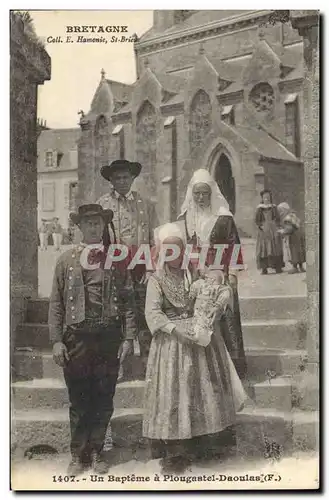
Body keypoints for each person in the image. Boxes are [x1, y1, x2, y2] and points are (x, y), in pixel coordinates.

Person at [143, 222, 247, 474]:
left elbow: (213, 292)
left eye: (177, 250)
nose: (173, 256)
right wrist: (178, 331)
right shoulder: (156, 280)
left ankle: (204, 444)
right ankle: (175, 453)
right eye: (167, 251)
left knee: (200, 392)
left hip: (200, 342)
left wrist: (216, 307)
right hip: (172, 344)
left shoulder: (194, 274)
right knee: (175, 394)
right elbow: (152, 314)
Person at [48, 204, 136, 475]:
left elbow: (128, 300)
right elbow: (56, 304)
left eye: (98, 223)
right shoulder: (66, 260)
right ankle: (78, 454)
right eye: (88, 223)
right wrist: (56, 340)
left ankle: (97, 451)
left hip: (108, 336)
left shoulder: (116, 259)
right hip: (76, 338)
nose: (94, 227)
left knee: (104, 395)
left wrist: (129, 337)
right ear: (80, 227)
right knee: (79, 397)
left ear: (103, 226)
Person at [178, 169, 247, 380]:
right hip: (196, 277)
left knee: (224, 319)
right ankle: (204, 370)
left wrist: (232, 276)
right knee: (200, 321)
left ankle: (233, 367)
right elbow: (180, 247)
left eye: (204, 193)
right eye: (197, 193)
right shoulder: (186, 218)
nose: (200, 197)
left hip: (220, 276)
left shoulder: (224, 218)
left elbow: (234, 247)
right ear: (192, 193)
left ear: (211, 194)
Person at [97, 159, 158, 381]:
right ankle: (119, 365)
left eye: (126, 177)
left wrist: (151, 268)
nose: (122, 182)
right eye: (117, 178)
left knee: (143, 314)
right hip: (115, 267)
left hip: (140, 266)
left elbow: (154, 239)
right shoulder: (103, 204)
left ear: (133, 179)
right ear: (111, 181)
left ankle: (148, 363)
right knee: (117, 314)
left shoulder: (145, 204)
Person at [255, 190, 284, 275]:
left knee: (276, 248)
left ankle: (277, 267)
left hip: (273, 229)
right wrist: (261, 226)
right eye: (265, 197)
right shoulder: (259, 208)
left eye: (268, 197)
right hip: (264, 230)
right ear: (262, 198)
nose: (266, 199)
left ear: (270, 198)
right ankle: (264, 269)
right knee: (264, 249)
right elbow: (257, 220)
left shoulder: (274, 207)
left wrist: (277, 226)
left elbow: (277, 218)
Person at [277, 202, 306, 274]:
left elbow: (289, 229)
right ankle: (301, 267)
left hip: (294, 237)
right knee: (300, 251)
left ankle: (295, 267)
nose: (280, 213)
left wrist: (282, 231)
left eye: (281, 210)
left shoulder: (288, 218)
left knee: (294, 251)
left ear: (285, 210)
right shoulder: (293, 215)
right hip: (299, 235)